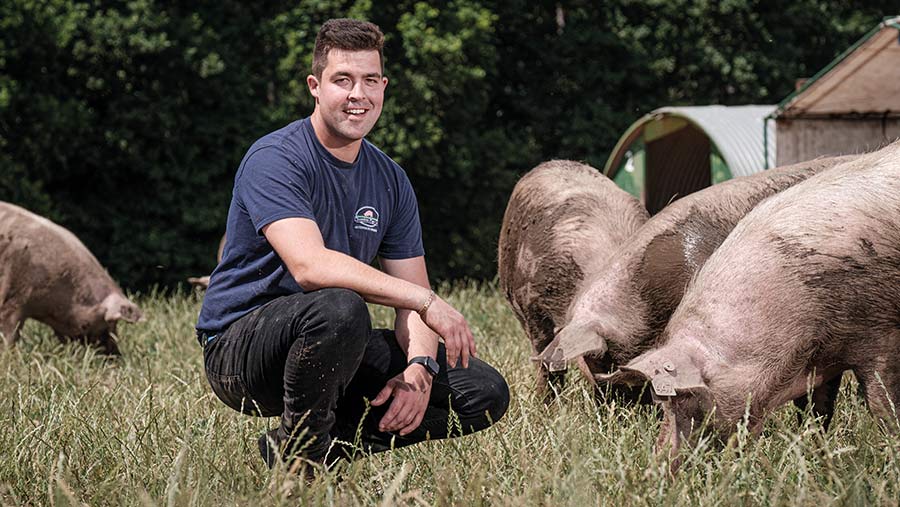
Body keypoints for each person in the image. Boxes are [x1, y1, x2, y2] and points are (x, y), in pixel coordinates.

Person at [195, 18, 509, 473]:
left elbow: (412, 304)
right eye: (342, 80)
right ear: (315, 87)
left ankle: (297, 445)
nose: (357, 94)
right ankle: (302, 468)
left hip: (329, 341)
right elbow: (309, 267)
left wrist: (419, 368)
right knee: (340, 307)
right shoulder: (276, 158)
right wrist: (428, 301)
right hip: (240, 352)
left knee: (481, 391)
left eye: (369, 81)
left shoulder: (391, 180)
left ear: (384, 87)